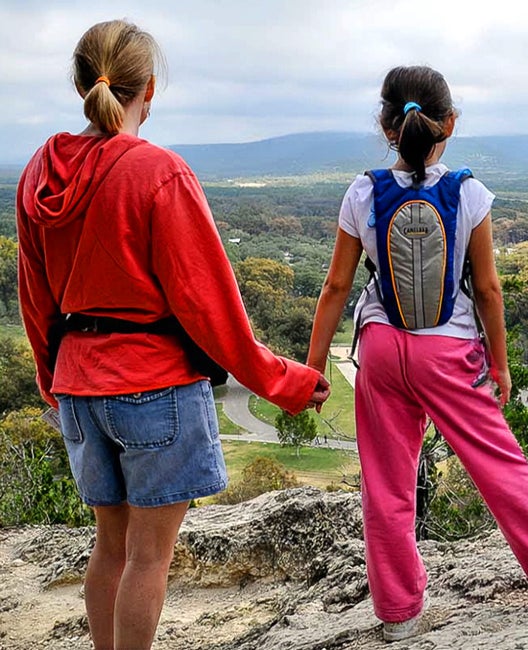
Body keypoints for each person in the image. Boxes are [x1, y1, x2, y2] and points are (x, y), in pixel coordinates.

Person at [16, 20, 330, 650]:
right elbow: (210, 306)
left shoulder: (39, 174)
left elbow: (36, 301)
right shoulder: (157, 172)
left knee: (109, 547)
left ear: (81, 84)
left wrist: (54, 383)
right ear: (149, 89)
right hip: (153, 384)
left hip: (77, 383)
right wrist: (284, 383)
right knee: (148, 558)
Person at [307, 65, 528, 643]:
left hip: (377, 347)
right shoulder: (469, 192)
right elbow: (490, 290)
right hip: (449, 350)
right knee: (497, 463)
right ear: (449, 123)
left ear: (386, 126)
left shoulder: (362, 191)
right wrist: (498, 364)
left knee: (387, 482)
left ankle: (399, 613)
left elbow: (335, 287)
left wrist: (315, 364)